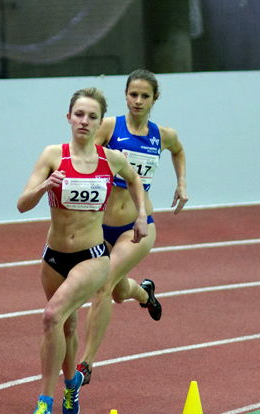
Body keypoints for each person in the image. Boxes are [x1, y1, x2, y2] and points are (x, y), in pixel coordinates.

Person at [17, 87, 148, 414]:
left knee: (51, 316)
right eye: (79, 115)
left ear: (98, 121)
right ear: (69, 118)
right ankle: (72, 383)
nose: (85, 121)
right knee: (66, 324)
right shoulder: (52, 156)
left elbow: (135, 181)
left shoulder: (111, 159)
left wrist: (141, 216)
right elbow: (22, 204)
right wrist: (45, 186)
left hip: (92, 257)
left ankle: (44, 401)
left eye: (92, 116)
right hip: (53, 258)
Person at [77, 69, 188, 385]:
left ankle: (86, 364)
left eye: (144, 96)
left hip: (138, 226)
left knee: (103, 283)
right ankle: (146, 294)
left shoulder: (162, 135)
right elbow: (87, 157)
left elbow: (178, 151)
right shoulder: (110, 127)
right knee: (117, 290)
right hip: (100, 227)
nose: (138, 101)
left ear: (155, 99)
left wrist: (181, 184)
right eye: (133, 94)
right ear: (125, 96)